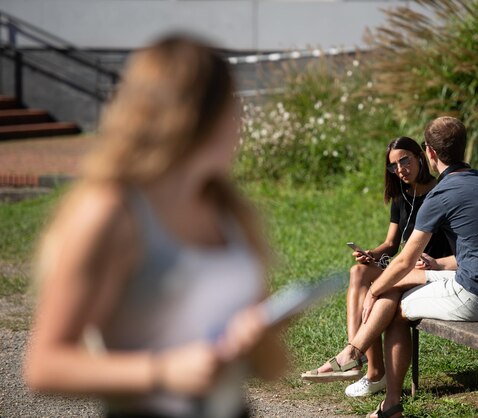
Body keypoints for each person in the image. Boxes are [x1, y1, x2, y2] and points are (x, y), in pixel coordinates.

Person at [23, 34, 286, 418]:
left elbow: (271, 367)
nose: (240, 120)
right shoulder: (110, 212)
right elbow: (43, 366)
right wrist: (161, 371)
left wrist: (255, 339)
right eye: (233, 105)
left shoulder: (226, 208)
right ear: (193, 114)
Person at [305, 116, 478, 418]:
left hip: (476, 296)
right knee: (395, 290)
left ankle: (377, 385)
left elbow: (404, 260)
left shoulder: (440, 194)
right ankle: (355, 358)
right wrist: (438, 263)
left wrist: (373, 292)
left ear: (428, 153)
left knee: (395, 308)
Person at [301, 137, 454, 397]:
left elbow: (455, 248)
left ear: (420, 156)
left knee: (379, 289)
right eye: (393, 166)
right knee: (358, 271)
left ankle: (368, 368)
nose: (400, 169)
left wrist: (434, 263)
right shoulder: (400, 196)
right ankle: (357, 357)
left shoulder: (439, 193)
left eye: (404, 160)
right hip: (403, 265)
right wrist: (371, 253)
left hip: (430, 270)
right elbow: (391, 243)